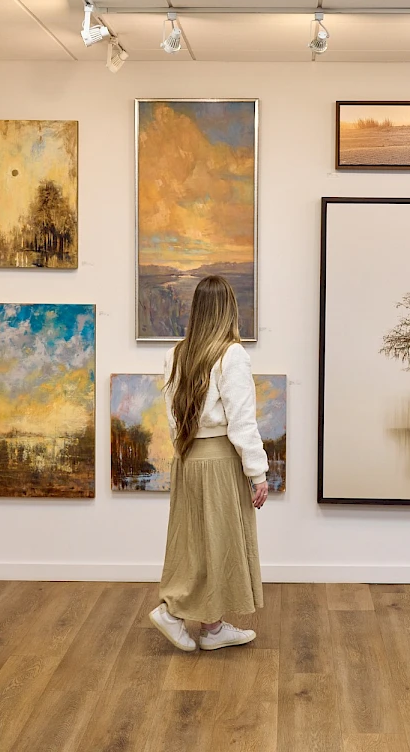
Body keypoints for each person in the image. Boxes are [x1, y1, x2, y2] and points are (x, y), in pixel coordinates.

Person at [149, 275, 269, 652]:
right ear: (228, 310)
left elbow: (173, 419)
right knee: (219, 542)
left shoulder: (176, 354)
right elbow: (242, 420)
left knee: (196, 542)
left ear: (197, 310)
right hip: (219, 460)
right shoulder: (231, 355)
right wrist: (258, 472)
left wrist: (186, 452)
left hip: (188, 459)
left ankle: (213, 628)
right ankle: (172, 612)